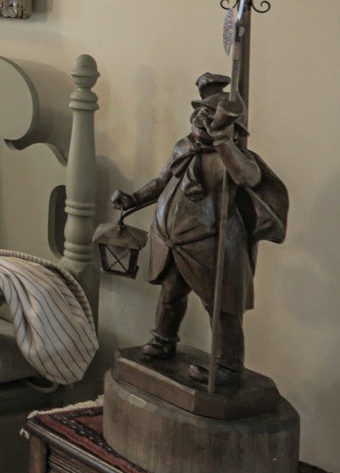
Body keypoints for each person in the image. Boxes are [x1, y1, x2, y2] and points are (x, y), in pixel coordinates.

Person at [112, 74, 288, 383]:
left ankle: (229, 365)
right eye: (198, 112)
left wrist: (223, 144)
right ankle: (163, 340)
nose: (199, 119)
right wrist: (133, 199)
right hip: (172, 240)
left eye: (208, 116)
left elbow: (249, 178)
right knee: (171, 294)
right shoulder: (183, 147)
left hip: (212, 244)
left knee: (221, 308)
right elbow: (162, 181)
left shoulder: (233, 159)